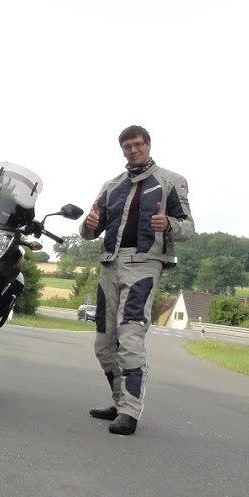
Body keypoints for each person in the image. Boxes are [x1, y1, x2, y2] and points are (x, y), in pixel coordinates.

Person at [79, 125, 194, 435]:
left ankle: (130, 411)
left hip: (144, 264)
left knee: (130, 336)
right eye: (127, 146)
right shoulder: (112, 185)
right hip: (109, 265)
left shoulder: (171, 182)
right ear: (122, 150)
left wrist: (167, 224)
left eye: (138, 144)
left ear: (148, 145)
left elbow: (188, 228)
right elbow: (90, 231)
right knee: (104, 343)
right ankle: (119, 402)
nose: (133, 150)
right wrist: (88, 225)